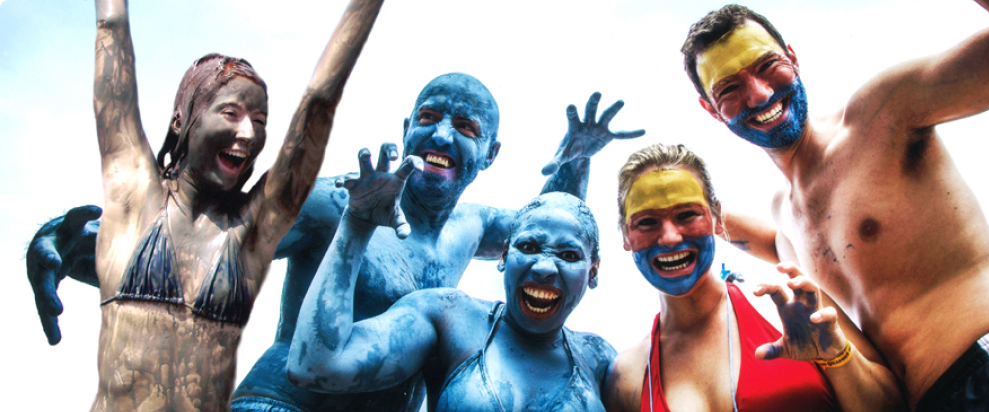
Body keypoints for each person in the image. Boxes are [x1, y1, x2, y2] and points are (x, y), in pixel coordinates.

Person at [28, 70, 642, 410]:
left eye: (465, 126)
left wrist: (575, 160)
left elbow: (554, 241)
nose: (442, 135)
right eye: (428, 118)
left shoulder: (476, 227)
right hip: (285, 403)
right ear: (406, 128)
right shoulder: (339, 201)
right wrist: (84, 236)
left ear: (489, 154)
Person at [679, 3, 989, 411]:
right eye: (729, 89)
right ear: (711, 108)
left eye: (766, 65)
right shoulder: (787, 223)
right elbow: (718, 222)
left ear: (793, 58)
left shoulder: (880, 117)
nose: (758, 94)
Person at [72, 0, 383, 409]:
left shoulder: (252, 232)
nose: (248, 132)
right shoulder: (132, 194)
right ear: (182, 120)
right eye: (231, 113)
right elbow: (111, 26)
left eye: (259, 120)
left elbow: (319, 100)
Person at [602, 143, 904, 412]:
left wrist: (838, 357)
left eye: (687, 215)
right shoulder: (627, 377)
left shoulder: (787, 308)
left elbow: (895, 405)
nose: (668, 237)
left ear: (717, 219)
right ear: (626, 236)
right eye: (647, 222)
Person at [286, 167, 616, 412]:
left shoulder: (599, 359)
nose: (543, 268)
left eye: (568, 255)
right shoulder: (450, 318)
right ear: (503, 255)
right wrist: (356, 226)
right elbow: (318, 365)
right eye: (528, 247)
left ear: (593, 270)